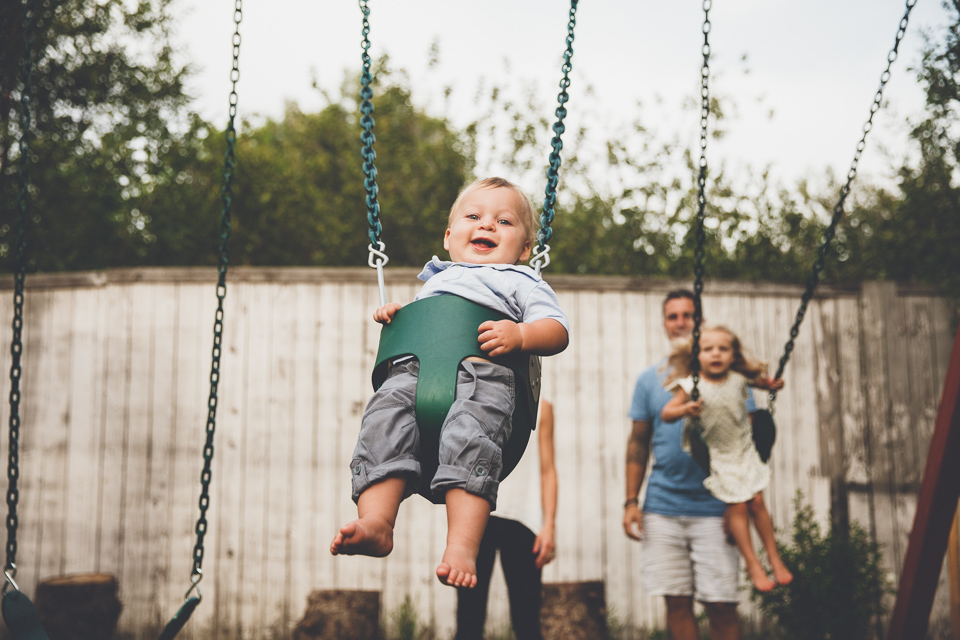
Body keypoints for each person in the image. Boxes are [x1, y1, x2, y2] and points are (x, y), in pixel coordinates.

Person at [330, 177, 569, 590]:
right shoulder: (436, 280)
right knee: (382, 422)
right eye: (474, 216)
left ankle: (461, 544)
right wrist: (398, 314)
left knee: (470, 437)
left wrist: (521, 335)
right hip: (413, 377)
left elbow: (557, 330)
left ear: (526, 250)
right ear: (449, 235)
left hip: (484, 380)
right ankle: (377, 521)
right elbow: (430, 330)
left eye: (504, 221)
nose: (487, 225)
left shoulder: (521, 281)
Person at [623, 290, 751, 640]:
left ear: (701, 321)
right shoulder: (651, 379)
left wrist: (739, 504)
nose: (681, 322)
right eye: (673, 316)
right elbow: (637, 442)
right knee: (677, 603)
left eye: (688, 315)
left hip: (716, 506)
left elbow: (751, 442)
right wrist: (631, 501)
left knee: (721, 603)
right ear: (665, 324)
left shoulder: (729, 375)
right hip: (662, 508)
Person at [661, 325, 793, 592]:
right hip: (718, 454)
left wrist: (774, 384)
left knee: (756, 500)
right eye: (708, 349)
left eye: (723, 349)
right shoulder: (691, 384)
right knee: (738, 506)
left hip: (742, 448)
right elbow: (667, 413)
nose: (716, 354)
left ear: (733, 355)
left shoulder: (737, 377)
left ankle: (774, 558)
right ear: (697, 355)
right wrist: (687, 408)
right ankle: (753, 565)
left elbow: (767, 383)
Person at [455, 398, 557, 640]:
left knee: (527, 623)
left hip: (523, 517)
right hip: (475, 514)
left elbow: (547, 468)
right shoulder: (472, 394)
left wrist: (550, 525)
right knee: (468, 620)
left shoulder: (541, 405)